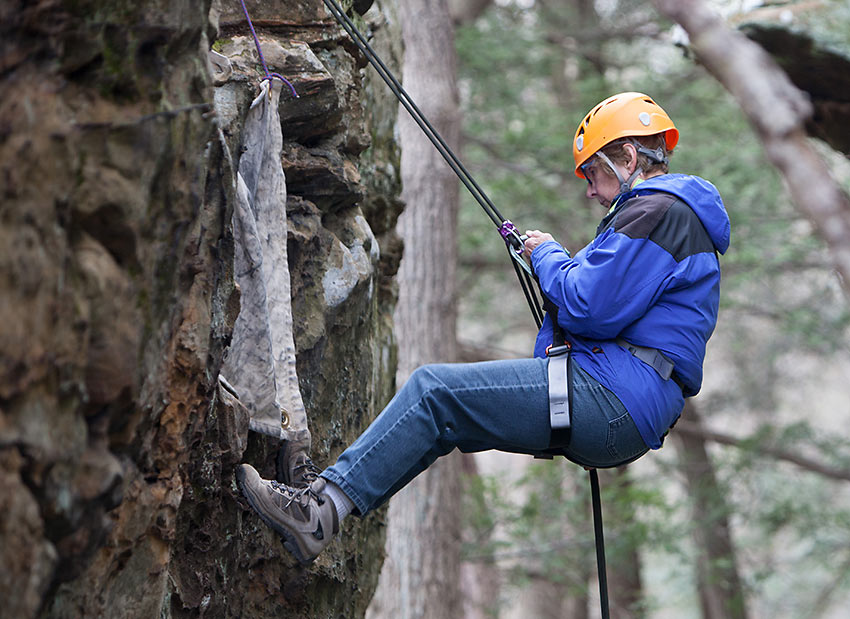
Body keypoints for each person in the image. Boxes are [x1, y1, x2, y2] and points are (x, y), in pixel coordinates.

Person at [236, 91, 731, 565]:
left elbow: (587, 305)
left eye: (594, 173)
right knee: (443, 415)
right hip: (623, 398)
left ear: (627, 157)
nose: (591, 191)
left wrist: (549, 254)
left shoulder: (660, 212)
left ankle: (320, 511)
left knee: (434, 392)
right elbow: (602, 303)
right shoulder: (665, 215)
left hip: (614, 396)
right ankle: (328, 502)